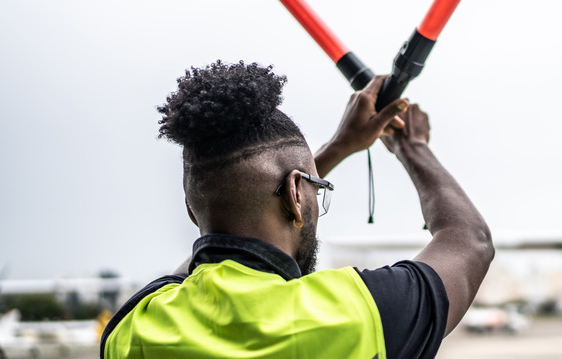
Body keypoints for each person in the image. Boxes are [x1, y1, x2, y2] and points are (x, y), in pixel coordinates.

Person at [100, 60, 494, 359]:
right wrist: (413, 146)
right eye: (314, 190)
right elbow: (470, 240)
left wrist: (334, 151)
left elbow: (200, 256)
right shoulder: (354, 313)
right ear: (295, 195)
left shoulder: (133, 329)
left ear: (190, 210)